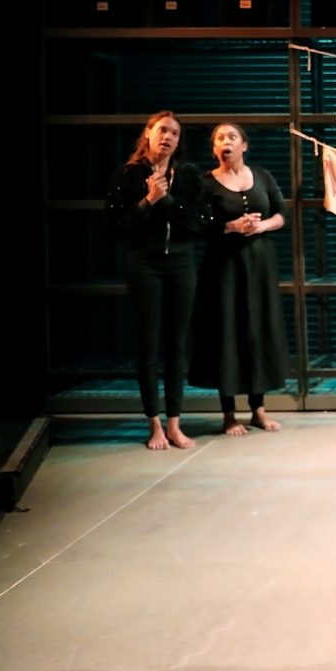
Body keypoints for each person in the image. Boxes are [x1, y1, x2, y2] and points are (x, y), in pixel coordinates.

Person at [106, 110, 209, 451]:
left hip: (181, 264)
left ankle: (175, 424)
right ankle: (155, 426)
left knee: (177, 345)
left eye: (174, 133)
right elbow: (117, 227)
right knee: (148, 345)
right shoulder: (128, 174)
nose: (167, 137)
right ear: (147, 134)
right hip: (144, 265)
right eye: (162, 130)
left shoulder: (189, 175)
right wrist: (147, 201)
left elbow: (199, 223)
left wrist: (168, 201)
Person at [189, 123, 290, 435]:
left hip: (259, 264)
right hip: (224, 265)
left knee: (257, 328)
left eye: (232, 137)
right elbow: (197, 227)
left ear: (244, 145)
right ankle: (229, 413)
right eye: (220, 138)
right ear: (214, 149)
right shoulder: (206, 183)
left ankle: (258, 408)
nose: (226, 142)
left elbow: (281, 213)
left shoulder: (261, 175)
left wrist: (259, 227)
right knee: (227, 330)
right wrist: (231, 227)